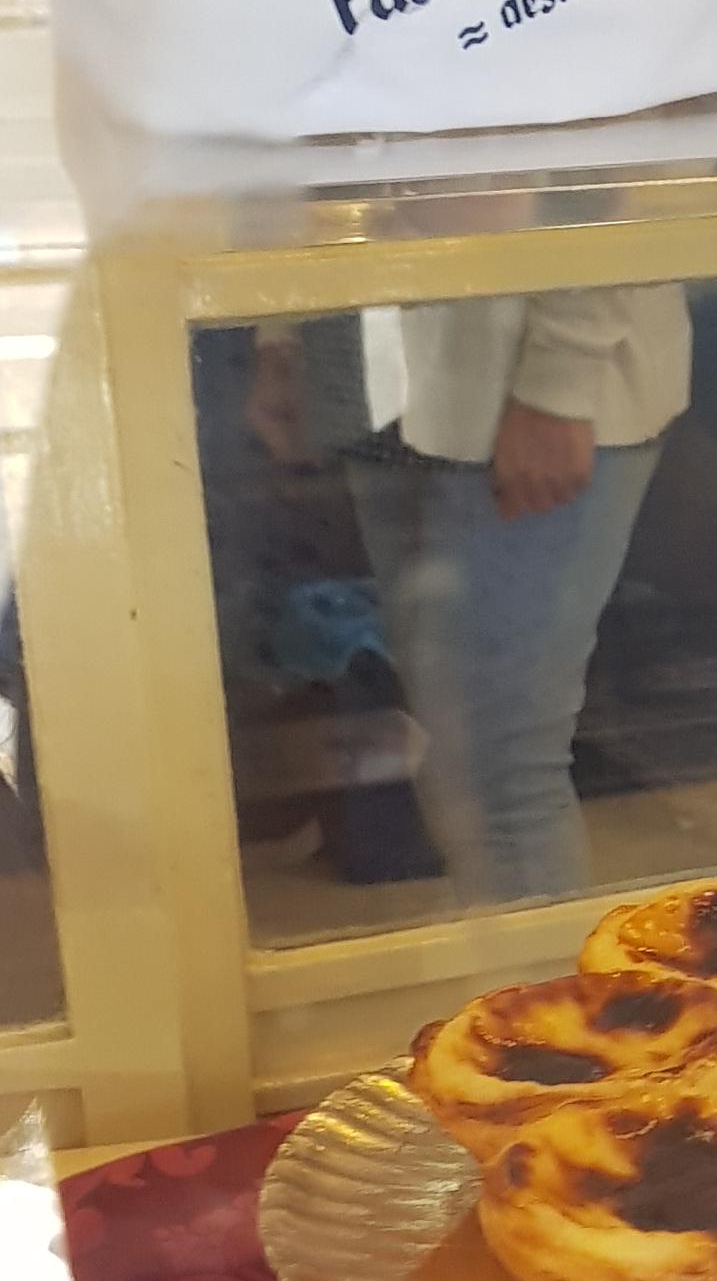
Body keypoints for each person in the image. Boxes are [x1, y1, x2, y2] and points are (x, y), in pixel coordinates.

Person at [252, 281, 688, 902]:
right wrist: (282, 334)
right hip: (366, 358)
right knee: (455, 757)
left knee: (503, 768)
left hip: (526, 372)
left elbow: (602, 214)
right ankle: (507, 962)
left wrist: (561, 384)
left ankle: (537, 968)